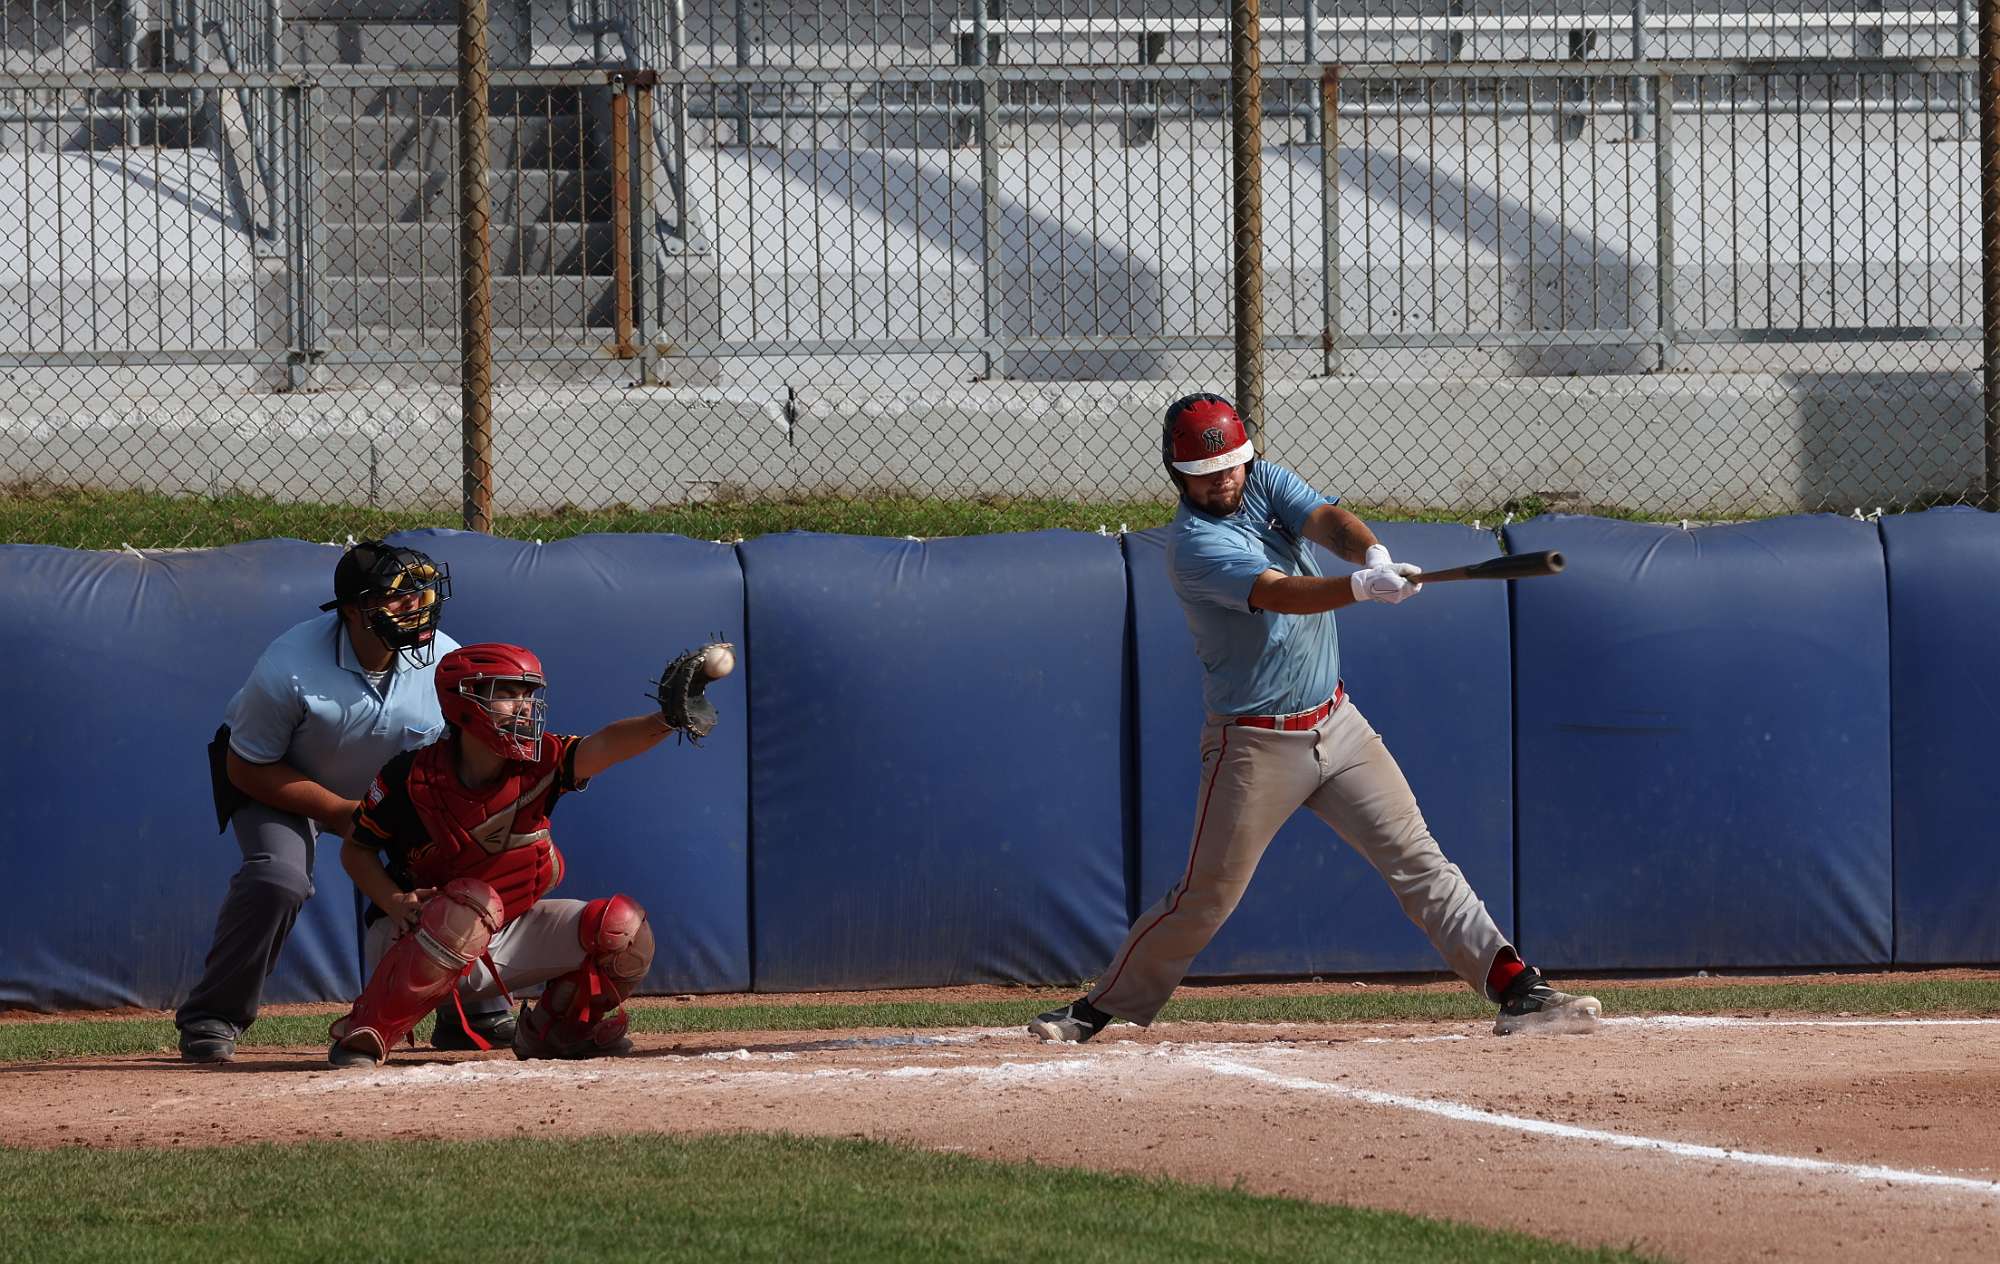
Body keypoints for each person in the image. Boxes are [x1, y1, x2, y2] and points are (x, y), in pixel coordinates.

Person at [1029, 394, 1601, 1043]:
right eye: (1205, 473)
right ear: (1179, 475)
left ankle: (1516, 988)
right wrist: (1358, 589)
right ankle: (1096, 1008)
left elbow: (1326, 520)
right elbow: (1279, 593)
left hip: (1338, 724)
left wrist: (1373, 555)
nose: (1223, 480)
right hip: (1255, 744)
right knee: (1205, 898)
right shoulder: (1194, 546)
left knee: (1419, 860)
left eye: (1231, 465)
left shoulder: (1263, 481)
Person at [174, 539, 511, 1062]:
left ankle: (467, 1008)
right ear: (353, 611)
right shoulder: (289, 666)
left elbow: (451, 762)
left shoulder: (445, 660)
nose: (417, 605)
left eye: (422, 593)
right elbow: (245, 767)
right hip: (280, 779)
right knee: (278, 878)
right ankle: (212, 1016)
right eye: (397, 596)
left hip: (386, 790)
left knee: (456, 859)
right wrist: (338, 811)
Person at [326, 639, 729, 1066]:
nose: (524, 706)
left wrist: (665, 720)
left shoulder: (540, 760)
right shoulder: (411, 776)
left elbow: (606, 746)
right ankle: (365, 1032)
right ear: (463, 701)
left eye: (528, 694)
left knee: (622, 929)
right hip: (413, 938)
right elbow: (356, 851)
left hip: (500, 935)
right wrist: (393, 900)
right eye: (507, 693)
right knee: (470, 904)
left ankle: (557, 1032)